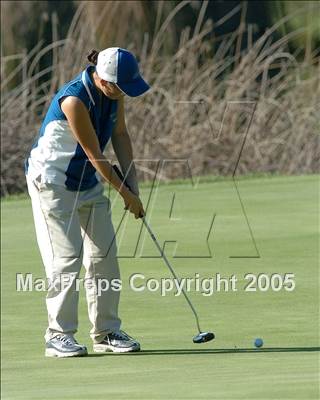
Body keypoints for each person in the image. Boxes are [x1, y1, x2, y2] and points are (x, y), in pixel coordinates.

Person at [25, 47, 149, 357]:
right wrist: (125, 195)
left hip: (86, 182)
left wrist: (133, 185)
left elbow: (119, 134)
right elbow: (96, 155)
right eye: (122, 87)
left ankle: (106, 332)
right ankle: (57, 335)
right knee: (66, 257)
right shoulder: (74, 100)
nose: (125, 94)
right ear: (105, 80)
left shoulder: (114, 95)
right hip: (52, 182)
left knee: (104, 255)